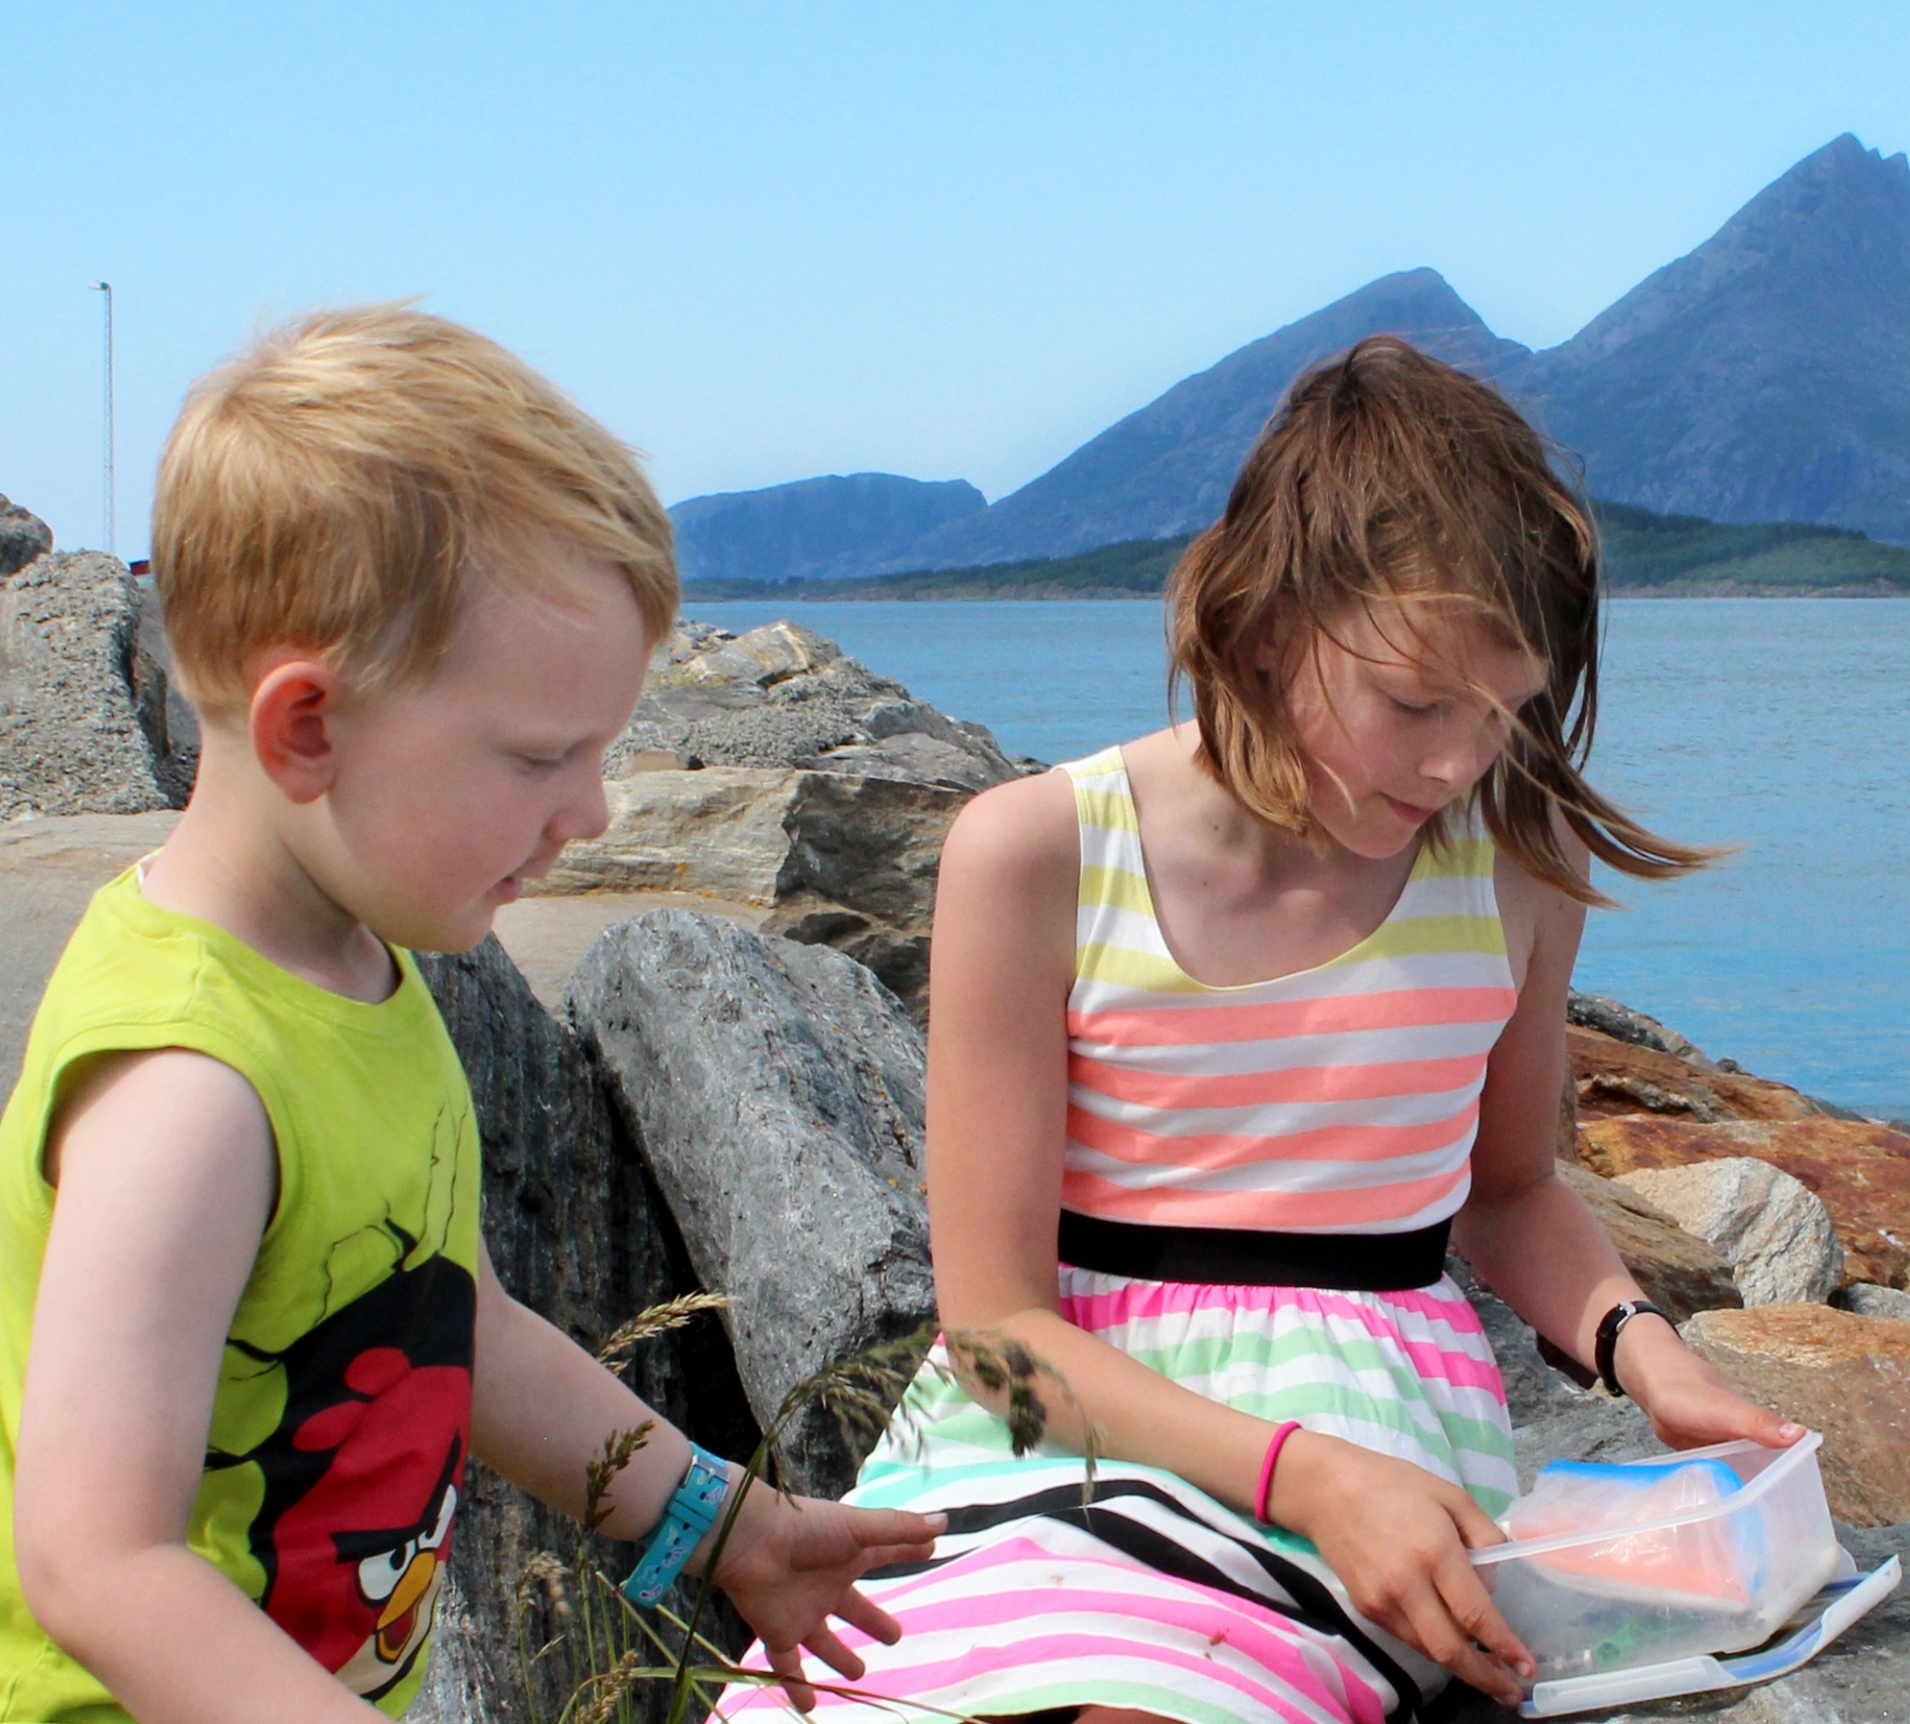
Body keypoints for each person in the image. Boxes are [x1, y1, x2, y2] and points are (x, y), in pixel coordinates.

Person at [0, 306, 943, 1722]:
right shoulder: (192, 1084)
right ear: (308, 726)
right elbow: (97, 1563)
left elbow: (455, 1331)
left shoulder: (359, 971)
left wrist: (730, 1528)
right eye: (543, 755)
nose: (593, 812)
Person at [720, 336, 1802, 1724]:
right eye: (1415, 703)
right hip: (1048, 1418)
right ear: (1267, 617)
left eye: (1502, 715)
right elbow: (993, 1333)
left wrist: (1653, 1359)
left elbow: (1510, 1190)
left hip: (1370, 1420)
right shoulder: (1036, 852)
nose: (1458, 764)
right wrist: (1302, 1475)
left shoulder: (1509, 870)